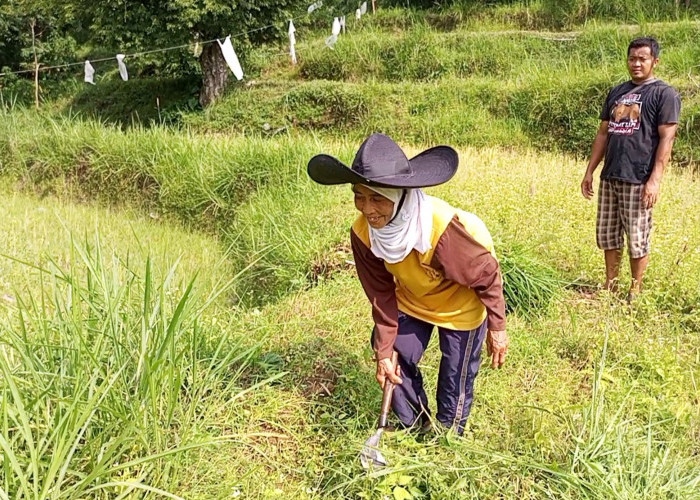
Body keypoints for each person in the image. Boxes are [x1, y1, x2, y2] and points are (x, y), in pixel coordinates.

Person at [307, 133, 509, 435]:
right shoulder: (363, 233)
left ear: (400, 196)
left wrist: (498, 327)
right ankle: (415, 423)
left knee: (456, 372)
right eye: (359, 195)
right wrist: (385, 349)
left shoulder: (441, 229)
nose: (367, 208)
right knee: (394, 357)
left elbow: (487, 274)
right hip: (413, 297)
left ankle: (449, 433)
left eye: (378, 197)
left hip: (461, 302)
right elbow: (380, 293)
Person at [581, 37, 681, 301]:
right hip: (611, 174)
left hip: (638, 177)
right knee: (608, 233)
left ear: (654, 62)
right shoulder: (617, 92)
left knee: (637, 236)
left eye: (642, 59)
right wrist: (590, 170)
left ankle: (635, 289)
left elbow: (667, 139)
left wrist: (655, 180)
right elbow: (603, 133)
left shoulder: (664, 94)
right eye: (632, 58)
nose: (636, 63)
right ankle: (610, 285)